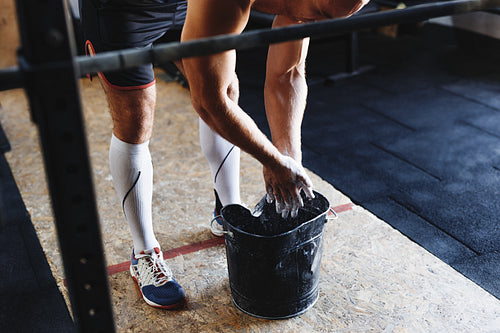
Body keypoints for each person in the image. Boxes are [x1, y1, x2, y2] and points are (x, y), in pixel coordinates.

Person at [80, 0, 368, 310]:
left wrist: (288, 158)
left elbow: (288, 73)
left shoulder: (312, 3)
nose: (318, 22)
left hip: (185, 3)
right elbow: (208, 102)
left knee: (228, 88)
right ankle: (144, 252)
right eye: (322, 13)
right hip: (125, 9)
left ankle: (229, 212)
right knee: (136, 119)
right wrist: (270, 160)